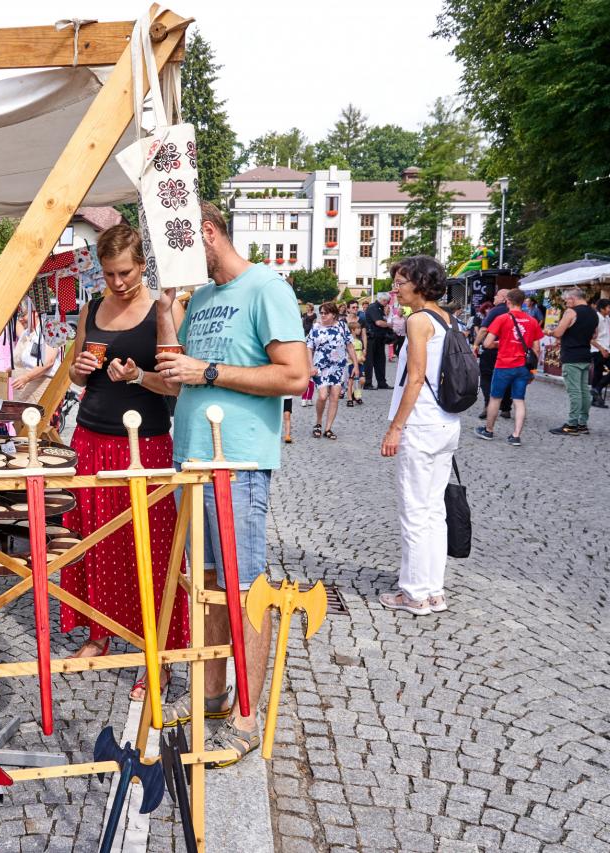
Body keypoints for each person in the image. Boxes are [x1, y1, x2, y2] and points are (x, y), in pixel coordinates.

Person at [154, 201, 309, 766]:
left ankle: (246, 715)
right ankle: (213, 695)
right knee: (206, 584)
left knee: (245, 590)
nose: (173, 261)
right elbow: (181, 380)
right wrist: (165, 313)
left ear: (207, 233)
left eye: (177, 248)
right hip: (191, 459)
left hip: (238, 463)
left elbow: (295, 374)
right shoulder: (201, 299)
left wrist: (210, 371)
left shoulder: (266, 288)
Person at [60, 223, 188, 697]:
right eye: (109, 273)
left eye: (125, 273)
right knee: (92, 542)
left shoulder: (163, 308)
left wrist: (137, 376)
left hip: (145, 443)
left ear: (142, 265)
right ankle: (100, 634)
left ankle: (159, 652)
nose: (117, 282)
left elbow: (175, 384)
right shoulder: (91, 308)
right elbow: (77, 376)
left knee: (150, 548)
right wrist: (79, 369)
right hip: (90, 438)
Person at [378, 255, 460, 616]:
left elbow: (415, 378)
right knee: (434, 511)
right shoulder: (447, 319)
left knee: (414, 511)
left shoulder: (418, 321)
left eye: (401, 282)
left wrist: (395, 427)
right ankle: (433, 590)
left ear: (420, 284)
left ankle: (412, 593)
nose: (395, 289)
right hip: (445, 422)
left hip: (422, 423)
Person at [475, 288, 543, 447]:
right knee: (519, 400)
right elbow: (537, 349)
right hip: (523, 367)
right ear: (523, 302)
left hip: (504, 365)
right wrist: (532, 371)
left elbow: (487, 343)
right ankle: (516, 436)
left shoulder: (502, 318)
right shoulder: (532, 321)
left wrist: (501, 343)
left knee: (495, 398)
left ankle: (489, 430)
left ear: (508, 301)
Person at [545, 288, 600, 435]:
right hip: (585, 354)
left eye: (566, 300)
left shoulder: (571, 312)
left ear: (573, 298)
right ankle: (582, 423)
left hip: (571, 355)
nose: (566, 303)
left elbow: (558, 332)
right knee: (584, 391)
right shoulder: (593, 313)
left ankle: (572, 424)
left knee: (575, 391)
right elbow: (594, 335)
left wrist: (549, 332)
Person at [307, 302, 359, 439]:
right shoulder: (316, 327)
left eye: (326, 313)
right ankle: (318, 423)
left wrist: (355, 365)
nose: (323, 315)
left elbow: (350, 346)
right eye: (321, 313)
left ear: (334, 314)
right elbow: (309, 347)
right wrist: (310, 366)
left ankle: (328, 428)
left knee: (335, 397)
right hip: (320, 367)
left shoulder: (342, 326)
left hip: (338, 367)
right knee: (323, 396)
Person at [473, 289, 514, 421]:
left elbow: (483, 329)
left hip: (492, 349)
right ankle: (506, 408)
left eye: (497, 296)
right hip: (511, 350)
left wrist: (476, 344)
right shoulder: (516, 312)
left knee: (486, 377)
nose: (494, 298)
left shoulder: (495, 311)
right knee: (507, 378)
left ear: (503, 298)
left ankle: (488, 404)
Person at [10, 298, 60, 404]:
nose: (20, 319)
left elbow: (49, 361)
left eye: (22, 315)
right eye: (18, 316)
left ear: (35, 312)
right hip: (21, 392)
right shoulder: (26, 333)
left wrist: (26, 378)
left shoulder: (52, 328)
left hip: (40, 390)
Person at [363, 291, 393, 390]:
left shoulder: (380, 308)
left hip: (379, 338)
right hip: (371, 338)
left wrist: (386, 316)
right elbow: (379, 322)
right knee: (369, 361)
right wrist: (389, 325)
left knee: (380, 361)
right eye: (386, 301)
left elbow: (383, 320)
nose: (387, 303)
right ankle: (367, 383)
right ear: (382, 300)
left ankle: (382, 383)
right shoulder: (373, 307)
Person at [589, 299, 610, 408]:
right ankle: (596, 398)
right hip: (597, 350)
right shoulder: (595, 318)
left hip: (607, 348)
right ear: (602, 309)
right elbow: (590, 338)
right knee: (598, 374)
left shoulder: (607, 318)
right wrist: (601, 349)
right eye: (609, 307)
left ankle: (597, 389)